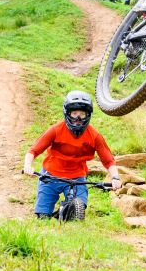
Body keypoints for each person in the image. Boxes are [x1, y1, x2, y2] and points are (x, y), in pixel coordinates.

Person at [22, 90, 120, 219]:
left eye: (82, 114)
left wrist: (115, 178)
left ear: (88, 115)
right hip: (50, 175)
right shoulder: (55, 130)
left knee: (79, 207)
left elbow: (108, 161)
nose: (78, 118)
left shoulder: (94, 136)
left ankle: (65, 217)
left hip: (77, 178)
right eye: (74, 113)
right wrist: (28, 165)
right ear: (67, 113)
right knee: (42, 215)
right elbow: (33, 151)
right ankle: (50, 215)